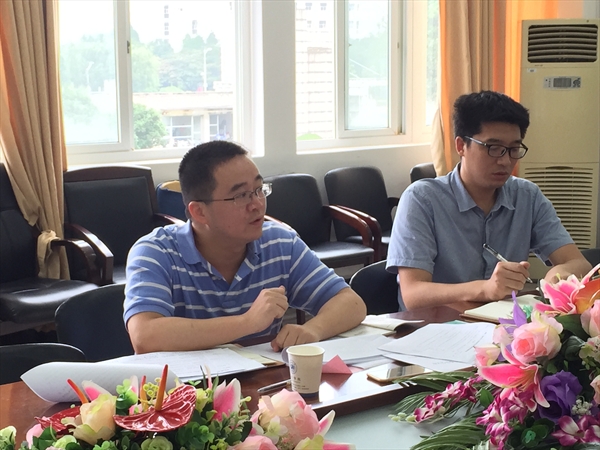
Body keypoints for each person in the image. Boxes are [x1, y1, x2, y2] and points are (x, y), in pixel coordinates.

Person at [124, 141, 366, 353]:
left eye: (259, 190)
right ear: (199, 212)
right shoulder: (155, 252)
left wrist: (313, 330)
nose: (257, 204)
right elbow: (144, 336)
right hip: (186, 389)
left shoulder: (280, 243)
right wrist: (248, 322)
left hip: (262, 383)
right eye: (241, 196)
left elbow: (351, 304)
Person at [386, 90, 592, 310]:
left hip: (502, 325)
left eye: (513, 149)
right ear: (461, 146)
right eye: (493, 148)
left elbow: (579, 263)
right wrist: (485, 289)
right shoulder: (422, 199)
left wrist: (558, 275)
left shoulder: (527, 196)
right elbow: (413, 294)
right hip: (435, 325)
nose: (505, 161)